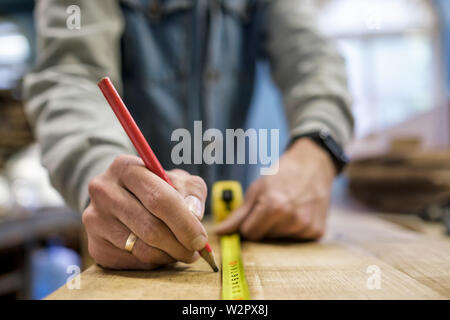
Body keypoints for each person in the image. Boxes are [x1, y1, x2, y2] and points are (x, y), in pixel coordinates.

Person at [23, 0, 353, 270]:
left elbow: (315, 59)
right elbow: (70, 79)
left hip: (239, 224)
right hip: (122, 243)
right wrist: (109, 179)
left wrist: (318, 147)